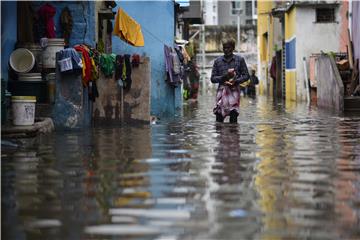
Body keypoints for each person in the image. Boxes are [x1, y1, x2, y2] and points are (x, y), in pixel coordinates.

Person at [211, 38, 250, 123]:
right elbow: (213, 79)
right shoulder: (217, 61)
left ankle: (233, 134)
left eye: (228, 48)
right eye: (224, 48)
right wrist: (223, 77)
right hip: (221, 91)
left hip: (234, 91)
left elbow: (246, 76)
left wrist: (236, 81)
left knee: (233, 116)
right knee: (219, 117)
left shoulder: (240, 60)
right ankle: (220, 135)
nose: (226, 50)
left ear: (233, 48)